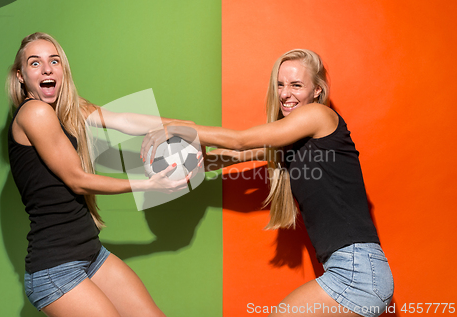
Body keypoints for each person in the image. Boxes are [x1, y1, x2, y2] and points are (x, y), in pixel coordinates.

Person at [142, 49, 394, 317]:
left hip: (356, 274)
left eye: (296, 85)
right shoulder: (293, 143)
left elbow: (239, 140)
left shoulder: (320, 116)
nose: (285, 94)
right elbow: (234, 155)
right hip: (356, 270)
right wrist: (179, 165)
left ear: (317, 91)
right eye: (280, 84)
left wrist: (176, 128)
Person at [7, 32, 193, 317]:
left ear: (62, 68)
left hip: (91, 254)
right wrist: (149, 184)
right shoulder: (35, 113)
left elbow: (122, 120)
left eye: (54, 61)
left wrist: (180, 125)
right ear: (21, 76)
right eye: (35, 63)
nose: (47, 69)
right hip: (56, 270)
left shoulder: (68, 108)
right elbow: (77, 180)